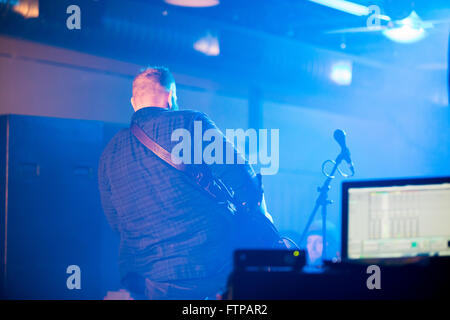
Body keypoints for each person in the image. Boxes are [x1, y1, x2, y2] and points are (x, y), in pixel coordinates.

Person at [98, 66, 274, 299]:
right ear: (170, 97)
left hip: (151, 280)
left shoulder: (110, 152)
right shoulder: (189, 122)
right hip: (211, 269)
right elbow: (243, 179)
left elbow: (115, 223)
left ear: (133, 102)